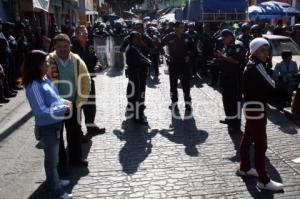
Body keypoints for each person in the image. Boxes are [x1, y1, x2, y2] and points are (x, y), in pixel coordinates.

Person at [23, 50, 73, 199]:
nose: (48, 65)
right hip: (47, 127)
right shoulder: (34, 86)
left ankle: (55, 181)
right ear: (37, 66)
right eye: (45, 63)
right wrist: (64, 108)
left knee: (55, 158)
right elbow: (41, 111)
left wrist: (64, 101)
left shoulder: (44, 79)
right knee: (51, 161)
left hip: (55, 125)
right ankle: (56, 190)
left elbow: (55, 98)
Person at [238, 38, 284, 191]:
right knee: (260, 144)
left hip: (252, 107)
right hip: (257, 109)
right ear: (255, 51)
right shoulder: (257, 66)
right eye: (263, 50)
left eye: (268, 50)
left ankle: (245, 167)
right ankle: (263, 180)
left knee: (247, 139)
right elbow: (272, 85)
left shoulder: (253, 64)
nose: (267, 53)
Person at [46, 33, 91, 174]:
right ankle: (61, 164)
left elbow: (86, 80)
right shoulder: (49, 61)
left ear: (70, 46)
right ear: (54, 47)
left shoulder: (77, 60)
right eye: (59, 47)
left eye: (66, 46)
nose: (63, 49)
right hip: (55, 106)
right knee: (57, 137)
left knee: (74, 132)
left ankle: (76, 159)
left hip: (73, 103)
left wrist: (80, 101)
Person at [72, 25, 106, 142]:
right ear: (76, 35)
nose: (85, 35)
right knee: (78, 107)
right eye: (82, 33)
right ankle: (78, 132)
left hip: (89, 79)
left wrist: (98, 65)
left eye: (86, 32)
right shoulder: (71, 47)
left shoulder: (89, 44)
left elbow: (95, 57)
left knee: (91, 104)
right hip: (77, 82)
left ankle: (91, 127)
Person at [216, 29, 246, 134]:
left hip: (235, 79)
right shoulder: (227, 45)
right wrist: (220, 58)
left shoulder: (238, 45)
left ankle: (236, 125)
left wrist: (223, 56)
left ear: (229, 36)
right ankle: (229, 119)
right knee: (227, 100)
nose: (222, 41)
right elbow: (226, 57)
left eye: (224, 38)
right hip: (226, 77)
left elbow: (236, 61)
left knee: (235, 102)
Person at [160, 21, 193, 112]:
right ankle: (174, 104)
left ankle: (188, 104)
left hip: (185, 64)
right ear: (176, 28)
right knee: (173, 86)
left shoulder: (187, 36)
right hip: (173, 63)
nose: (183, 29)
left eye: (183, 27)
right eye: (181, 27)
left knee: (186, 85)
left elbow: (192, 47)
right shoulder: (169, 36)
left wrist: (189, 55)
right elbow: (160, 45)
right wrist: (165, 55)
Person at [125, 31, 151, 125]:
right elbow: (134, 62)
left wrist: (147, 61)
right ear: (132, 39)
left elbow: (142, 57)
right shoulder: (130, 49)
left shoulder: (136, 48)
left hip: (139, 75)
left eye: (140, 37)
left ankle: (138, 115)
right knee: (136, 96)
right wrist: (145, 63)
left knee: (139, 95)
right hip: (135, 75)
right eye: (137, 38)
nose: (139, 39)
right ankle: (137, 117)